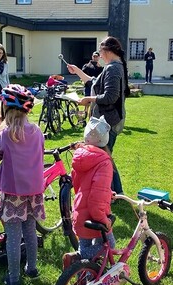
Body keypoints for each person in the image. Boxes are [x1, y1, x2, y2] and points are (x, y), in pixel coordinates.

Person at [0, 84, 45, 285]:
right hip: (34, 191)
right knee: (30, 231)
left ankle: (14, 280)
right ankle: (32, 269)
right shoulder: (37, 131)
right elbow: (41, 150)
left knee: (13, 235)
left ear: (6, 110)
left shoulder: (7, 134)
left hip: (13, 192)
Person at [67, 36, 130, 195]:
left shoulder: (113, 68)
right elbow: (93, 82)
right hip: (107, 121)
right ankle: (117, 192)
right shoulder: (114, 66)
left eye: (101, 52)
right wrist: (77, 71)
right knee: (105, 158)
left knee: (104, 159)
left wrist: (89, 99)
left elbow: (110, 97)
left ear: (108, 51)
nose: (100, 56)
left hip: (107, 122)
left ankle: (114, 193)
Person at [62, 116, 115, 269]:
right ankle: (77, 259)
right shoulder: (104, 162)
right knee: (108, 245)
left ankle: (82, 279)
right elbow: (96, 199)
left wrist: (108, 192)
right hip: (95, 216)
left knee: (84, 246)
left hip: (79, 212)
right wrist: (103, 219)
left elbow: (82, 187)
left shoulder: (79, 157)